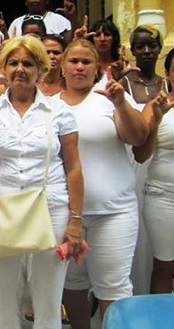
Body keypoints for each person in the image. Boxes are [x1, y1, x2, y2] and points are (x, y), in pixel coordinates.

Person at [0, 35, 84, 329]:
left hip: (50, 209)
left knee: (48, 302)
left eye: (28, 63)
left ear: (41, 69)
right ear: (3, 67)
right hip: (1, 210)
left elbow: (74, 168)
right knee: (4, 302)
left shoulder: (59, 111)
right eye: (13, 63)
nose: (20, 69)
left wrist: (76, 221)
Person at [55, 39, 149, 329]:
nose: (80, 67)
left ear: (98, 67)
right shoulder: (48, 105)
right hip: (65, 213)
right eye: (74, 61)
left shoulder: (112, 97)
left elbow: (138, 138)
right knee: (72, 284)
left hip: (114, 211)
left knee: (114, 288)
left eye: (87, 61)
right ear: (63, 66)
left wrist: (120, 103)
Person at [118, 25, 167, 296]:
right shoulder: (123, 84)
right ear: (132, 50)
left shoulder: (167, 84)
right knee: (131, 229)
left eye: (152, 46)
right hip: (130, 163)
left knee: (156, 237)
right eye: (141, 46)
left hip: (159, 166)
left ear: (159, 49)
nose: (146, 51)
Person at [133, 49, 174, 295]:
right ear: (167, 74)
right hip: (163, 196)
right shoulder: (156, 105)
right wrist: (156, 121)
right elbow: (140, 155)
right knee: (164, 266)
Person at [8, 0, 73, 42]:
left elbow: (70, 43)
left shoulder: (60, 20)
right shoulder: (16, 23)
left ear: (47, 1)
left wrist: (73, 16)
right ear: (25, 2)